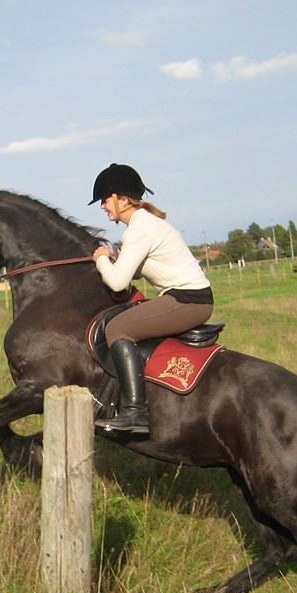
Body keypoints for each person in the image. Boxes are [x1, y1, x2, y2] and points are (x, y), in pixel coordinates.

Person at [89, 163, 214, 435]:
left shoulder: (140, 228)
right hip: (187, 298)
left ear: (122, 200)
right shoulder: (142, 224)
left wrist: (100, 259)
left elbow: (118, 281)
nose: (102, 206)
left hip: (187, 301)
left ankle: (136, 413)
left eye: (104, 200)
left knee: (118, 328)